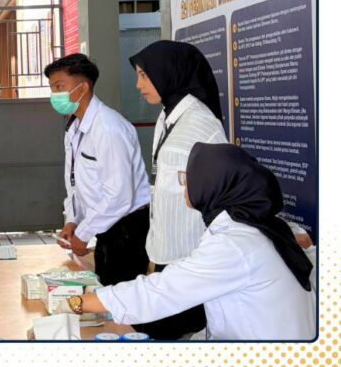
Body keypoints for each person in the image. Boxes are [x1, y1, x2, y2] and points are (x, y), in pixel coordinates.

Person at [66, 143, 316, 341]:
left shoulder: (235, 245)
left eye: (191, 177)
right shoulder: (252, 225)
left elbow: (163, 290)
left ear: (215, 184)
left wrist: (80, 302)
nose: (185, 185)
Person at [129, 40, 226, 338]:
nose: (138, 85)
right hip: (166, 258)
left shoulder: (201, 125)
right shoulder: (167, 117)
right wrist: (153, 259)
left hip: (191, 263)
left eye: (144, 75)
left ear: (169, 72)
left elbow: (220, 198)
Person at [45, 54, 151, 286]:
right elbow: (74, 182)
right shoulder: (75, 126)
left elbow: (119, 195)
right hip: (106, 225)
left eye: (59, 87)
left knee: (121, 297)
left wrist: (84, 233)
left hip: (126, 228)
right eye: (52, 88)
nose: (54, 94)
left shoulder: (108, 128)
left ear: (83, 88)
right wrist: (73, 220)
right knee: (105, 287)